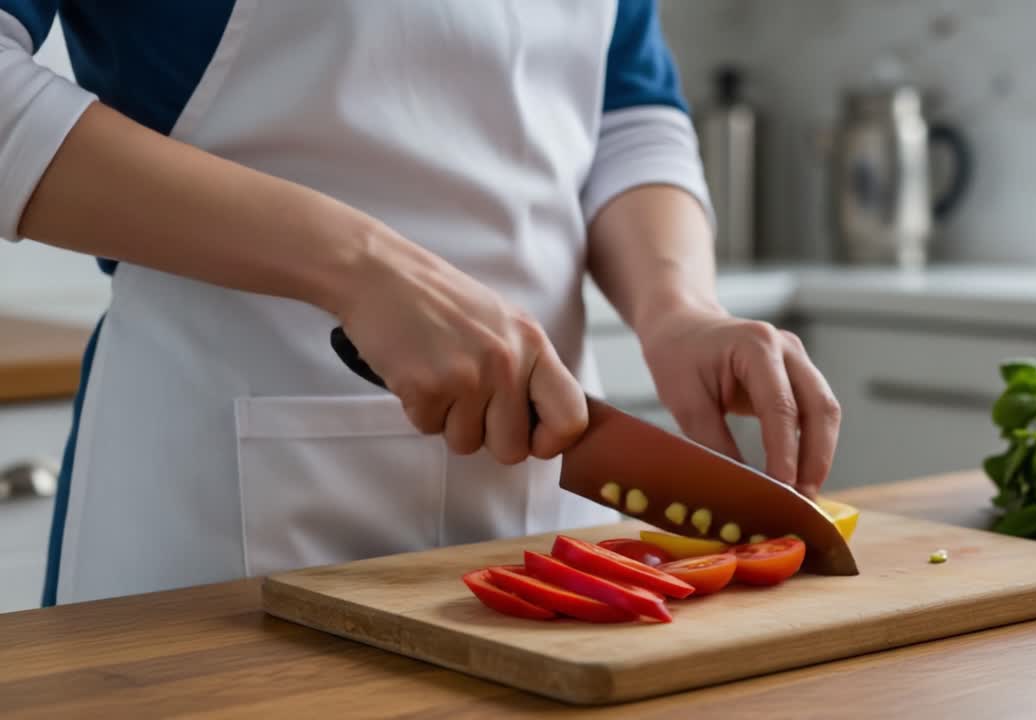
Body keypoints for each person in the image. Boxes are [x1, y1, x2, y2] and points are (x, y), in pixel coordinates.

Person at [0, 0, 841, 606]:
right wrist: (361, 268)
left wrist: (676, 306)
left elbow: (628, 110)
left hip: (548, 510)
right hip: (217, 526)